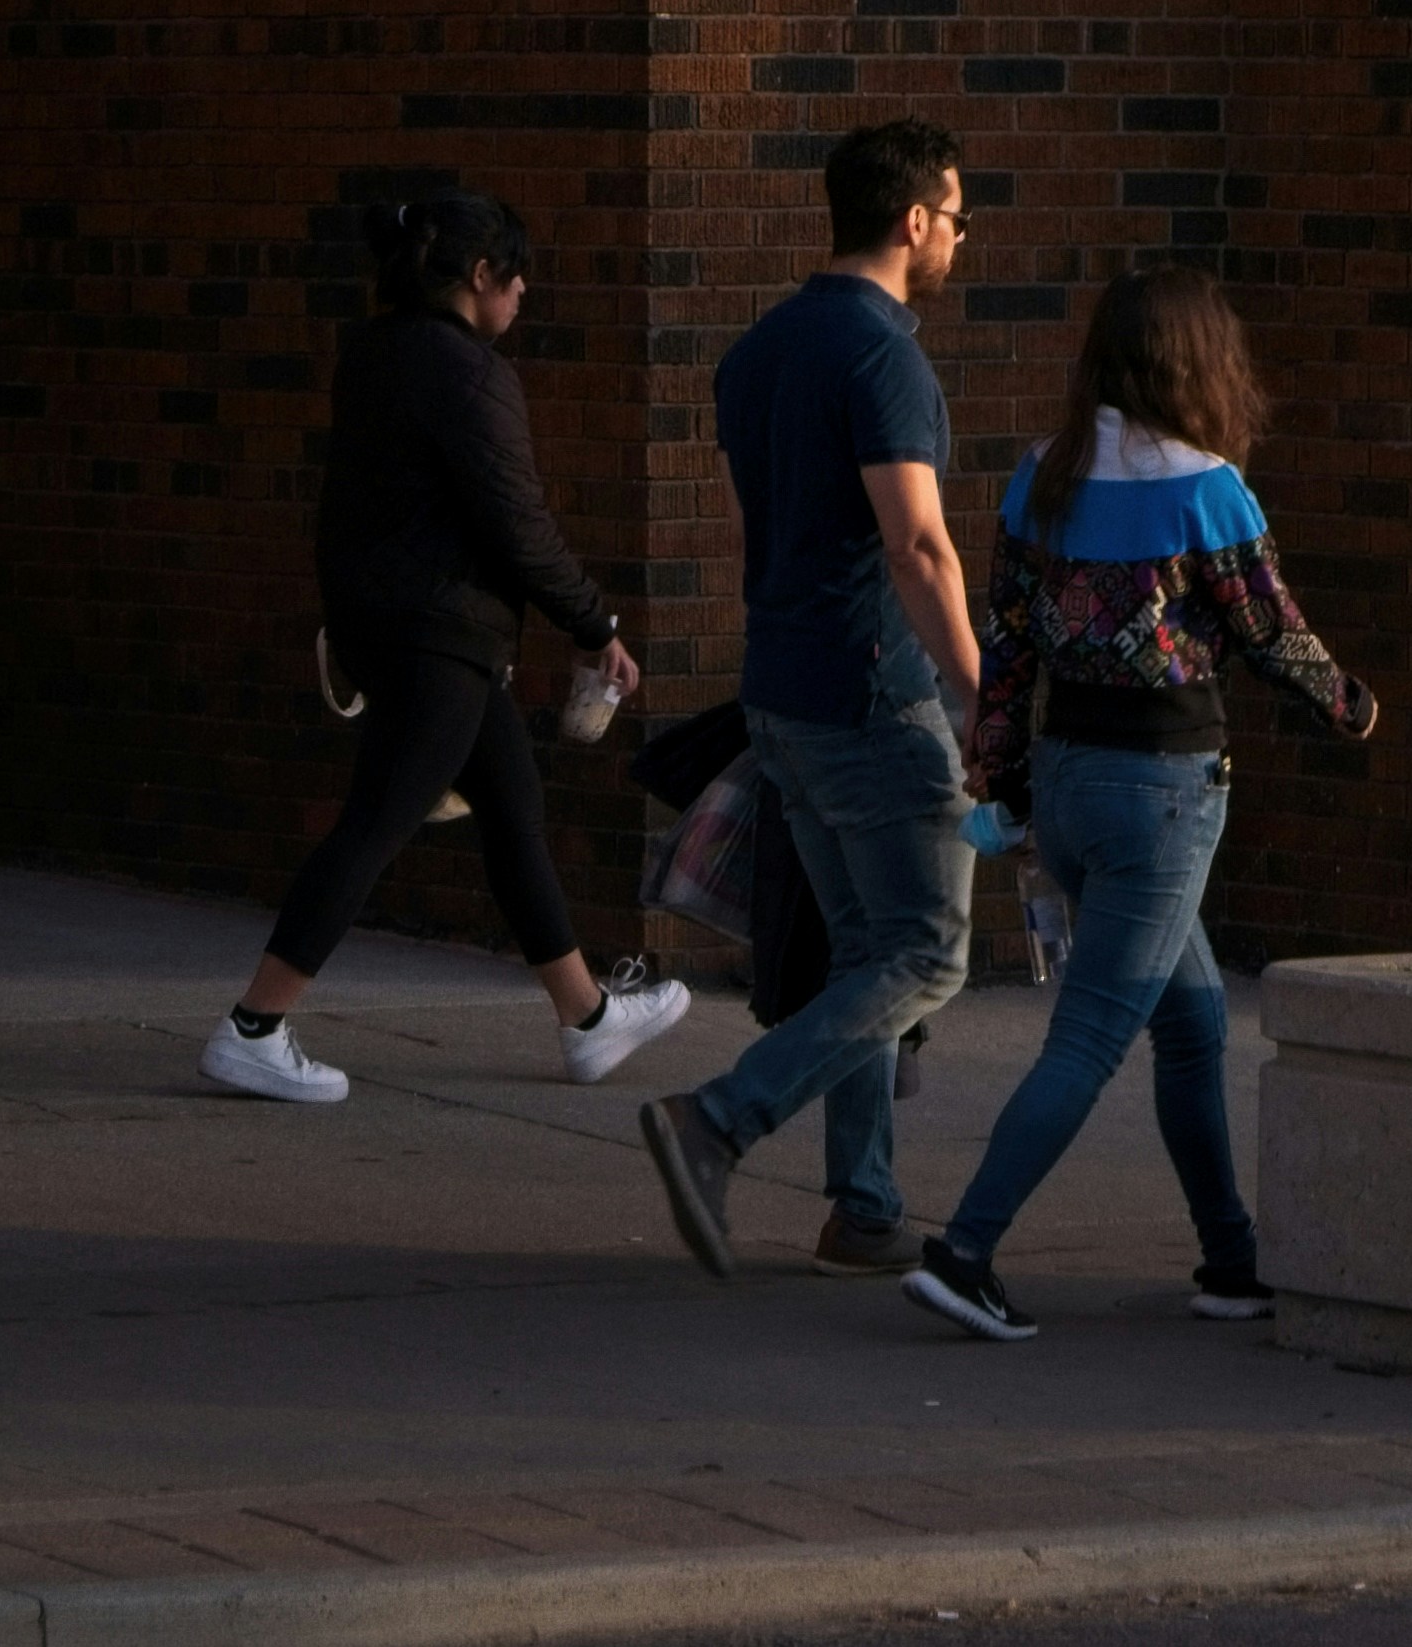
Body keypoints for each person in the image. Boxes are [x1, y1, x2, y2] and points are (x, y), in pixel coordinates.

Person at [904, 262, 1375, 1342]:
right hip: (1163, 793)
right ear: (1197, 362)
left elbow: (1009, 640)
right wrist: (1350, 706)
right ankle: (965, 1250)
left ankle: (1228, 1257)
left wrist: (1000, 765)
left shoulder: (1042, 475)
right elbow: (1272, 633)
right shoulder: (1206, 485)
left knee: (1196, 1020)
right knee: (1088, 1042)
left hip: (1066, 780)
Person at [202, 191, 689, 1104]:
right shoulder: (465, 373)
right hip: (438, 633)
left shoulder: (376, 352)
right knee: (376, 820)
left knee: (511, 806)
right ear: (479, 278)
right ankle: (253, 1027)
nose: (524, 295)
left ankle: (586, 1018)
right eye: (516, 279)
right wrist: (596, 626)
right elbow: (518, 522)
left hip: (394, 623)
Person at [638, 117, 981, 1281]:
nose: (959, 239)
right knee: (928, 954)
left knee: (863, 953)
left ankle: (867, 1207)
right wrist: (984, 694)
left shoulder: (760, 348)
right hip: (870, 688)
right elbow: (918, 545)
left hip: (780, 687)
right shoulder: (881, 355)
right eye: (956, 217)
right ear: (913, 220)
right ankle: (716, 1120)